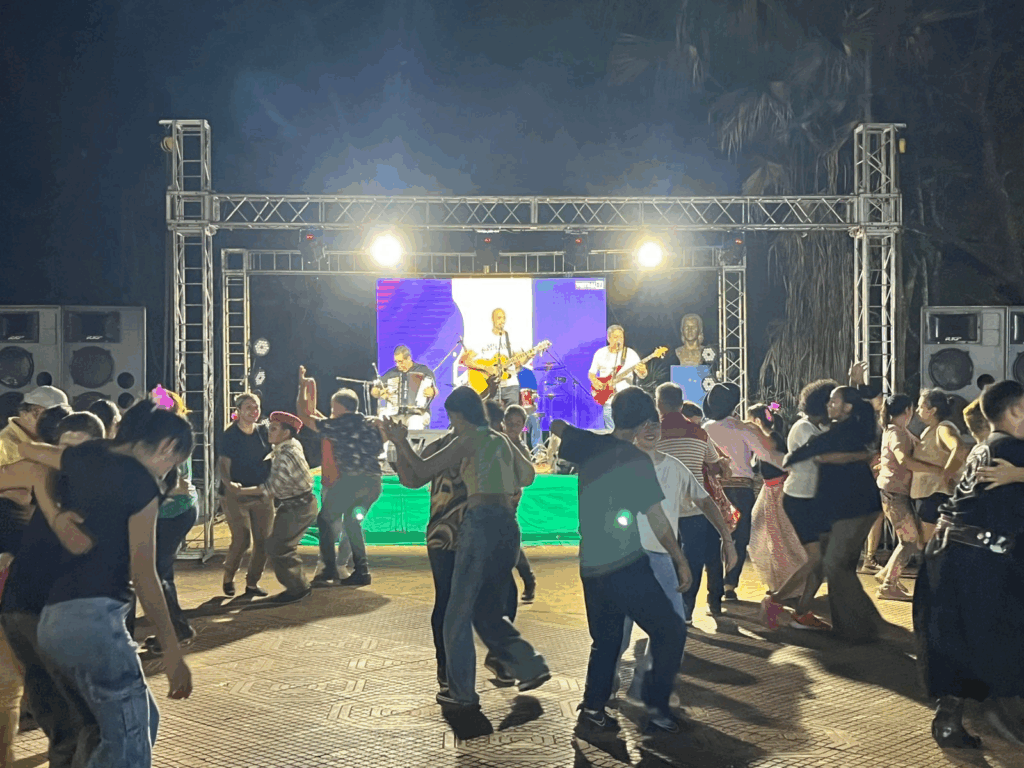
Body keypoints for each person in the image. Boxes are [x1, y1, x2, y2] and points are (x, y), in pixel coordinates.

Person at [16, 400, 195, 766]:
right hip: (95, 620)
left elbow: (28, 451)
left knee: (134, 722)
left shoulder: (90, 455)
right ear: (166, 447)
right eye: (172, 463)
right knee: (128, 743)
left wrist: (54, 510)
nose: (167, 473)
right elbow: (144, 574)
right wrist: (172, 650)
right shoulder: (142, 483)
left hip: (54, 622)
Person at [383, 386, 550, 711]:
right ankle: (529, 665)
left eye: (453, 417)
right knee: (487, 612)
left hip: (478, 524)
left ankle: (460, 691)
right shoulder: (500, 439)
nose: (453, 423)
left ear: (460, 415)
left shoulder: (468, 438)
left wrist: (401, 441)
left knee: (455, 615)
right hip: (508, 526)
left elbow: (421, 471)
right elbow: (528, 476)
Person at [550, 387, 691, 737]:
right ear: (644, 424)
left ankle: (593, 709)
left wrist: (571, 432)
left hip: (591, 560)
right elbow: (656, 517)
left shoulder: (588, 444)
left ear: (614, 415)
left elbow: (556, 425)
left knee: (607, 639)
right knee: (670, 630)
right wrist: (679, 559)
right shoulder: (636, 460)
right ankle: (656, 709)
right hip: (625, 562)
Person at [913, 380, 1024, 748]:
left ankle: (949, 720)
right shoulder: (1012, 448)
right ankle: (1004, 711)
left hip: (949, 552)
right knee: (1002, 635)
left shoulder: (985, 447)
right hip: (979, 558)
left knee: (954, 638)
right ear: (1015, 411)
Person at [613, 413, 735, 700]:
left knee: (673, 628)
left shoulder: (674, 466)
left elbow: (705, 500)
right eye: (644, 424)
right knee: (618, 631)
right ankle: (606, 681)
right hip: (625, 559)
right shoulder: (619, 464)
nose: (650, 430)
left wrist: (727, 539)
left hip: (662, 557)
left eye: (654, 424)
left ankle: (650, 685)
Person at [784, 386, 884, 642]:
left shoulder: (851, 427)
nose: (829, 405)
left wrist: (829, 457)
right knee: (839, 566)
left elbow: (828, 454)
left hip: (855, 507)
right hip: (842, 507)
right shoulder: (836, 427)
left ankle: (861, 625)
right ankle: (852, 625)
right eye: (828, 401)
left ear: (847, 407)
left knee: (835, 565)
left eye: (834, 401)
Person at [653, 384, 735, 621]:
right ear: (681, 405)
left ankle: (667, 607)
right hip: (695, 506)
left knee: (663, 557)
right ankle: (686, 609)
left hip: (661, 507)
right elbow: (713, 465)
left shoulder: (651, 433)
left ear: (658, 404)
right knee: (693, 559)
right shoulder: (699, 433)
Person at [297, 367, 384, 587]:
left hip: (351, 481)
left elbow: (303, 415)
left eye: (332, 407)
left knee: (325, 519)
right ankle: (361, 571)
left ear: (338, 407)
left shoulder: (337, 425)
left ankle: (329, 569)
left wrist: (301, 387)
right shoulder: (369, 423)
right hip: (373, 482)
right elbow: (381, 441)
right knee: (352, 524)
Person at [702, 383, 784, 612]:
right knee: (739, 538)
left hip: (712, 488)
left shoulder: (705, 428)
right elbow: (767, 455)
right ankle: (730, 585)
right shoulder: (744, 428)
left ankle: (713, 592)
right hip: (740, 489)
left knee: (714, 538)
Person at [768, 380, 835, 630]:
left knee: (822, 561)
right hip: (800, 499)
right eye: (833, 402)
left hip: (816, 500)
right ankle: (774, 600)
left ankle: (802, 612)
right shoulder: (803, 427)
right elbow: (823, 455)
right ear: (823, 404)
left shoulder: (819, 427)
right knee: (815, 559)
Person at [232, 412, 317, 604]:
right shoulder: (290, 445)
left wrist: (241, 491)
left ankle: (298, 589)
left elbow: (271, 489)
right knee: (278, 546)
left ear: (286, 433)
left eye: (274, 428)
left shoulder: (285, 455)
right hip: (298, 504)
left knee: (279, 548)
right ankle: (299, 587)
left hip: (298, 507)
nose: (269, 431)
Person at [744, 403, 807, 613]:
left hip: (777, 491)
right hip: (770, 490)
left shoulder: (770, 438)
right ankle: (783, 583)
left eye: (750, 420)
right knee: (771, 538)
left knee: (781, 539)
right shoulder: (766, 439)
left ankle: (789, 584)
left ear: (757, 420)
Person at [874, 395, 933, 601]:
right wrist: (937, 470)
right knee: (910, 541)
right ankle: (889, 585)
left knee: (907, 539)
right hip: (895, 494)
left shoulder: (895, 429)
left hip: (893, 492)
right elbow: (903, 459)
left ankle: (886, 575)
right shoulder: (897, 432)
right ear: (908, 410)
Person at [218, 393, 274, 597]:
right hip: (236, 494)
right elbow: (223, 464)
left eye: (256, 406)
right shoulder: (229, 435)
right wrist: (229, 484)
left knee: (264, 541)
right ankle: (228, 577)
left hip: (261, 493)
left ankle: (252, 583)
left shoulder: (264, 431)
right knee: (242, 539)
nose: (254, 411)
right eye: (249, 407)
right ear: (239, 411)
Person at [911, 390, 968, 549]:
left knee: (930, 547)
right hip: (927, 495)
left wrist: (945, 476)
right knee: (926, 545)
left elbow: (960, 449)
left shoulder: (943, 428)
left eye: (921, 406)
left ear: (932, 410)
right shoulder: (929, 430)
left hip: (936, 495)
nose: (917, 410)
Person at [461, 308, 536, 408]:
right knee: (492, 414)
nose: (502, 321)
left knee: (512, 412)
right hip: (491, 385)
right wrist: (486, 368)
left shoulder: (511, 338)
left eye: (504, 318)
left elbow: (520, 361)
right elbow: (467, 361)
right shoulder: (483, 339)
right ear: (493, 319)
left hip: (510, 384)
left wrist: (528, 357)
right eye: (499, 318)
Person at [502, 405, 538, 603]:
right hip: (493, 496)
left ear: (524, 425)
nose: (512, 427)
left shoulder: (522, 449)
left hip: (510, 499)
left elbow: (525, 476)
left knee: (509, 541)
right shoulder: (497, 441)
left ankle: (528, 578)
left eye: (517, 424)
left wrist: (516, 492)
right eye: (509, 422)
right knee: (506, 542)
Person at [588, 325, 648, 429]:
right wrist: (595, 382)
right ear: (608, 338)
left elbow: (642, 375)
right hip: (608, 400)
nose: (619, 340)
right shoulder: (600, 353)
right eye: (615, 337)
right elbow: (591, 373)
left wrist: (643, 371)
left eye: (621, 337)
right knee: (611, 431)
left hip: (627, 400)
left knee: (628, 430)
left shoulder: (630, 354)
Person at [0, 386, 68, 466]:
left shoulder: (49, 438)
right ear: (36, 412)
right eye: (54, 418)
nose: (58, 424)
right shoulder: (4, 445)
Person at [372, 345, 437, 429]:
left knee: (415, 422)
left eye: (400, 361)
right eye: (396, 362)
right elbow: (374, 390)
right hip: (395, 413)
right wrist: (379, 393)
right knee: (382, 417)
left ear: (409, 358)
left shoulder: (423, 371)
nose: (398, 365)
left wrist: (432, 392)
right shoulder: (392, 374)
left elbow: (435, 390)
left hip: (418, 413)